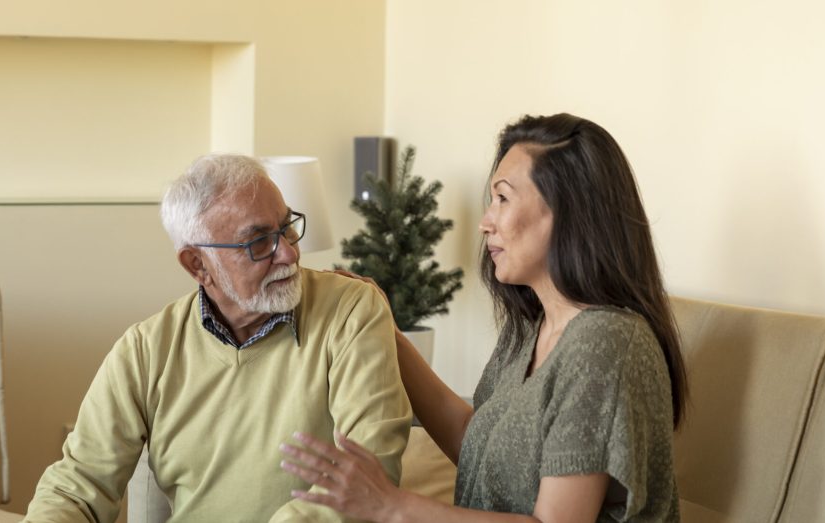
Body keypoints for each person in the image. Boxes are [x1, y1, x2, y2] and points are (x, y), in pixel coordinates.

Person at [279, 114, 688, 522]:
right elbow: (471, 437)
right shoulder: (530, 327)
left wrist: (392, 506)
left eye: (503, 199)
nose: (485, 222)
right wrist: (386, 329)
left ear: (568, 212)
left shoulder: (605, 343)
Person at [24, 154, 412, 522]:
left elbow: (371, 467)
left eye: (286, 227)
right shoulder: (144, 350)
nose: (289, 254)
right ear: (198, 265)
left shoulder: (351, 311)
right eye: (258, 241)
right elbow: (78, 485)